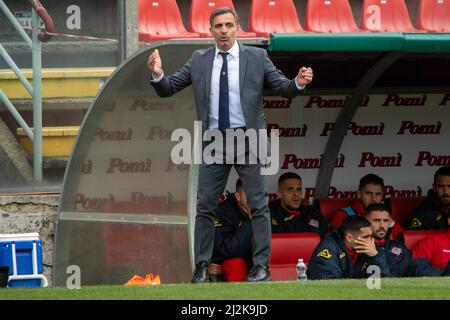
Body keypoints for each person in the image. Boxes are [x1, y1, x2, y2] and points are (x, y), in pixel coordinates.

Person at [147, 7, 313, 283]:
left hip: (248, 138)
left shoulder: (257, 57)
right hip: (214, 140)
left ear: (237, 28)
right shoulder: (199, 59)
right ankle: (201, 266)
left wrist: (298, 82)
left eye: (228, 25)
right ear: (210, 31)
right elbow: (169, 88)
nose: (223, 30)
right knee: (205, 206)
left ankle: (261, 267)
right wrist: (158, 74)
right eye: (218, 26)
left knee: (259, 206)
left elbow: (284, 87)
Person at [308, 216, 390, 280]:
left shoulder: (371, 250)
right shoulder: (329, 249)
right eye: (366, 237)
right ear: (349, 237)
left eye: (371, 236)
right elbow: (330, 286)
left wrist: (376, 257)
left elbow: (385, 283)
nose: (371, 241)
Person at [330, 173, 403, 240]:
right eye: (369, 193)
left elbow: (401, 239)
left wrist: (389, 222)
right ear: (359, 194)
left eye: (378, 194)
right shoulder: (343, 215)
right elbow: (340, 242)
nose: (373, 198)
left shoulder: (384, 216)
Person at [209, 179, 252, 282]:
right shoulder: (222, 212)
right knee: (237, 264)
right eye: (249, 194)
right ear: (238, 196)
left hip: (254, 260)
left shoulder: (264, 210)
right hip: (225, 261)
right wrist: (251, 221)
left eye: (257, 194)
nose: (254, 198)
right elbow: (229, 250)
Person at [270, 172, 328, 237]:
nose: (296, 194)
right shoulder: (268, 213)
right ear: (279, 194)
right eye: (290, 189)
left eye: (299, 189)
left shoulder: (310, 211)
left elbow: (325, 231)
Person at [405, 166, 450, 230]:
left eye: (449, 186)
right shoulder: (423, 213)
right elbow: (415, 238)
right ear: (434, 187)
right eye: (441, 186)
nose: (446, 192)